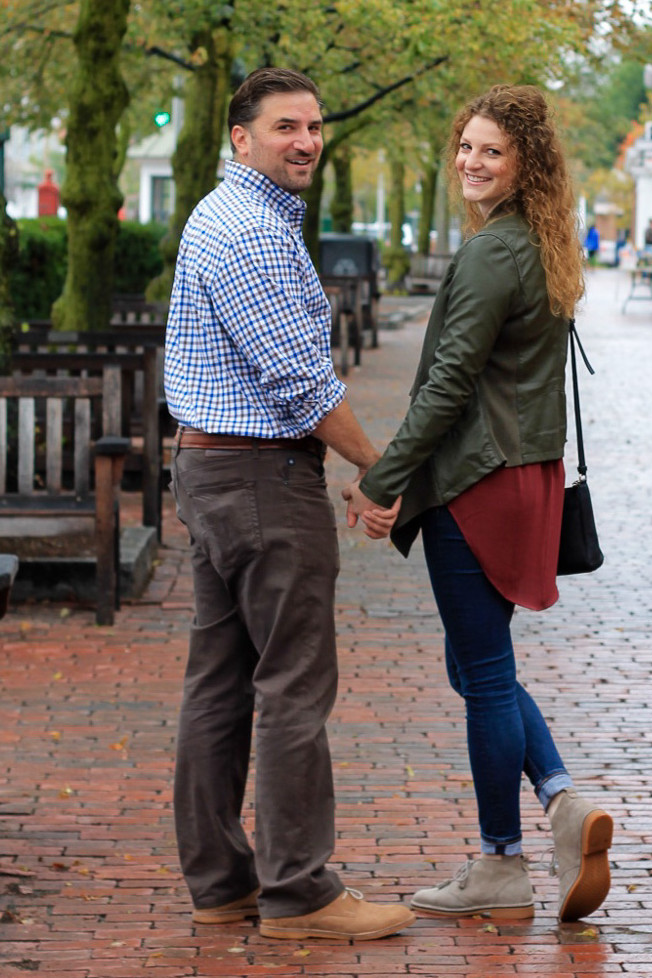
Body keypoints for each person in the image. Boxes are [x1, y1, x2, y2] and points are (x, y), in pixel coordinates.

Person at [343, 85, 613, 923]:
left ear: (523, 163)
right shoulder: (540, 241)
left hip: (477, 479)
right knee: (477, 664)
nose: (471, 160)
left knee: (485, 673)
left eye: (490, 150)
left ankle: (501, 861)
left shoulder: (493, 252)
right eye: (465, 145)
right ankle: (561, 800)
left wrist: (383, 478)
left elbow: (451, 380)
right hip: (523, 477)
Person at [164, 67, 414, 941]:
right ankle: (298, 893)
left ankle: (221, 880)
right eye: (284, 127)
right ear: (241, 138)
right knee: (294, 685)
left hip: (218, 474)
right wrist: (381, 470)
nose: (305, 141)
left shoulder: (228, 215)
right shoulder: (250, 233)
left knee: (221, 680)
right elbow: (302, 384)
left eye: (312, 126)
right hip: (261, 480)